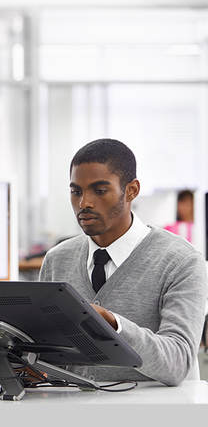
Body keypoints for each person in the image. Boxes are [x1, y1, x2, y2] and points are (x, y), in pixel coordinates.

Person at [39, 138, 207, 386]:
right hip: (72, 411)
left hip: (155, 415)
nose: (84, 202)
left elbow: (177, 361)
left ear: (132, 190)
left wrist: (114, 325)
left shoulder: (181, 260)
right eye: (76, 191)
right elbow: (48, 356)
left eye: (99, 190)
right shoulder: (57, 260)